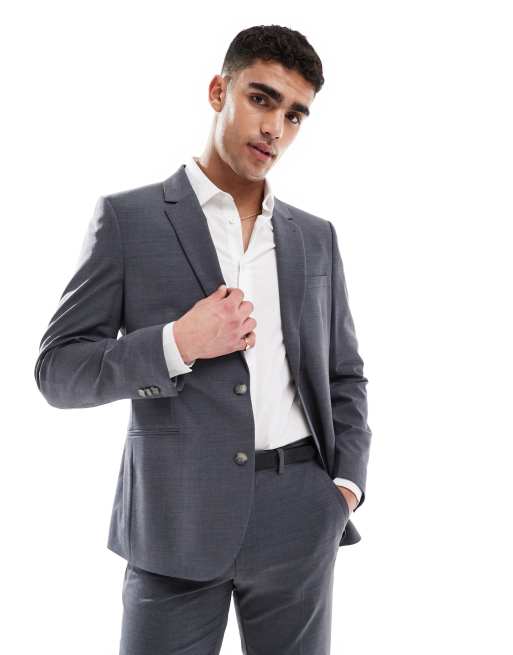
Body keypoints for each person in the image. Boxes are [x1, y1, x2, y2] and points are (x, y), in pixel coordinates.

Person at [34, 24, 372, 655]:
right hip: (174, 523)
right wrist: (176, 344)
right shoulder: (129, 219)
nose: (275, 128)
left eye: (295, 115)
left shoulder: (314, 236)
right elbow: (58, 371)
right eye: (261, 99)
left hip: (300, 515)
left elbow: (344, 374)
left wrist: (344, 487)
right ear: (219, 91)